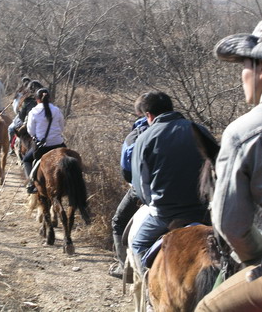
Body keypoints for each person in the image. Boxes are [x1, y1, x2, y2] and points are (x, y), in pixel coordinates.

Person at [195, 22, 262, 312]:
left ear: (260, 68)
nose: (243, 74)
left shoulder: (245, 132)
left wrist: (255, 257)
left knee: (207, 308)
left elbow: (232, 225)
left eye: (245, 64)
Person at [130, 91, 214, 274]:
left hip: (165, 213)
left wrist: (150, 203)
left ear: (148, 115)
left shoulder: (145, 138)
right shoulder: (201, 130)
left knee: (138, 244)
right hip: (202, 211)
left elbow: (140, 183)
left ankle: (149, 294)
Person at [109, 95, 149, 279]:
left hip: (146, 191)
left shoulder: (136, 135)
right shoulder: (191, 129)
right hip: (194, 194)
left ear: (140, 113)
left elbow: (126, 169)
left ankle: (124, 267)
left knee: (118, 222)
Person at [23, 88, 65, 194]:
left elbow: (30, 131)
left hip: (43, 146)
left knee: (27, 160)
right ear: (50, 98)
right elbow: (61, 127)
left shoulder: (34, 112)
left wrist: (35, 136)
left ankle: (31, 184)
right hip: (58, 144)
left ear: (37, 100)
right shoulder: (56, 110)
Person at [8, 76, 31, 154]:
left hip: (23, 116)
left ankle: (12, 148)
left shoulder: (19, 95)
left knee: (11, 129)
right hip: (28, 116)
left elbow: (16, 109)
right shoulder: (34, 94)